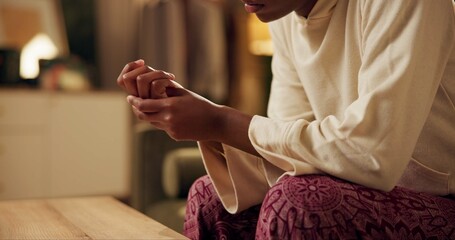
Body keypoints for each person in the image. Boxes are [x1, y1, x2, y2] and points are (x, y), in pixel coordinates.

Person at [117, 0, 455, 239]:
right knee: (210, 196)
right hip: (362, 187)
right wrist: (200, 114)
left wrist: (220, 122)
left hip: (442, 203)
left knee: (297, 202)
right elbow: (288, 149)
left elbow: (373, 153)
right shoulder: (285, 20)